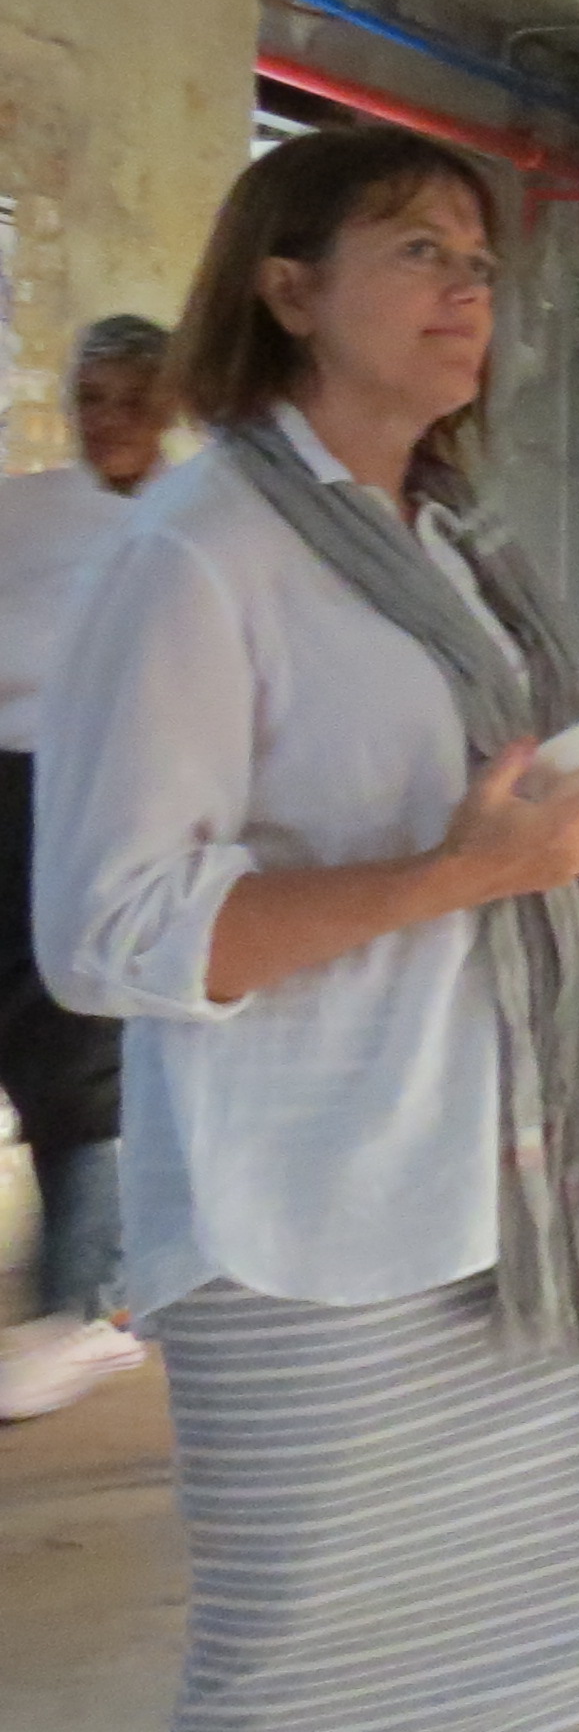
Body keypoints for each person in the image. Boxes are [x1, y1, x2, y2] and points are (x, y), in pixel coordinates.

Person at [34, 127, 579, 1731]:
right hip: (325, 1221)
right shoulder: (196, 554)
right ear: (289, 289)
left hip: (542, 1191)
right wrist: (461, 872)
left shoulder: (449, 544)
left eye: (478, 263)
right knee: (340, 1687)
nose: (467, 292)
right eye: (417, 253)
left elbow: (494, 815)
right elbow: (104, 935)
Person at [0, 314, 173, 1421]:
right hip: (6, 789)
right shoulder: (22, 513)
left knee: (79, 1042)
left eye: (131, 398)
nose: (107, 419)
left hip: (109, 795)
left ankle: (88, 1301)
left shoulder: (194, 520)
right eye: (91, 396)